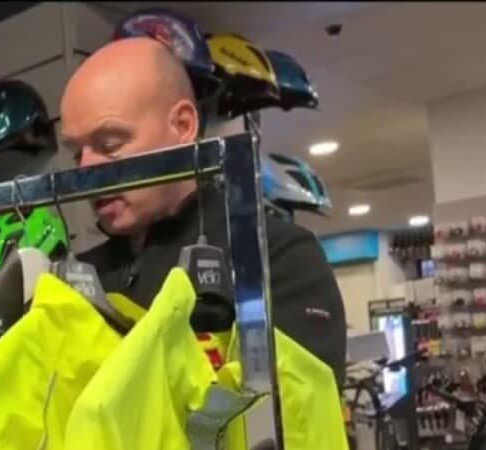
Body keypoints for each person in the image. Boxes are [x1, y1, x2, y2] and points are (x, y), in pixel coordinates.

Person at [61, 37, 347, 383]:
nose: (86, 171)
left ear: (183, 126)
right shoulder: (79, 277)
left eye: (109, 144)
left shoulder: (276, 257)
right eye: (77, 153)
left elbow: (300, 423)